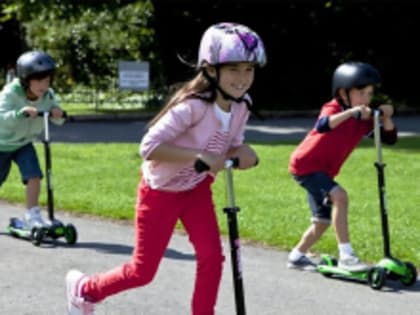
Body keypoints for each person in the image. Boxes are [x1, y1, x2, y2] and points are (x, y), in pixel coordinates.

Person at [66, 22, 266, 315]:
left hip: (196, 189)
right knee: (143, 271)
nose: (243, 78)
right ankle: (85, 290)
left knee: (212, 257)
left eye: (249, 69)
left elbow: (231, 145)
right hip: (160, 192)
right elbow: (148, 147)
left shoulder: (242, 105)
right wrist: (198, 155)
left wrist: (242, 152)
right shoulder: (192, 106)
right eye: (234, 69)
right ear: (211, 70)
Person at [287, 61, 397, 272]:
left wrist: (387, 117)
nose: (366, 99)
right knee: (340, 196)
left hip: (323, 171)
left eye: (369, 94)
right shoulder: (334, 108)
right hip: (305, 165)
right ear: (343, 93)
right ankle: (347, 256)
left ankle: (296, 256)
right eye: (361, 93)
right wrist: (350, 113)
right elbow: (323, 125)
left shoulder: (362, 120)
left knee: (322, 222)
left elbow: (388, 139)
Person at [0, 50, 65, 228]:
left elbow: (57, 117)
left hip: (24, 144)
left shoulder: (48, 95)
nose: (43, 85)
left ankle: (32, 214)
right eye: (38, 80)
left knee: (34, 175)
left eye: (46, 80)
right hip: (2, 144)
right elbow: (2, 117)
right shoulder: (10, 93)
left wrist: (58, 114)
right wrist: (20, 113)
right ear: (25, 79)